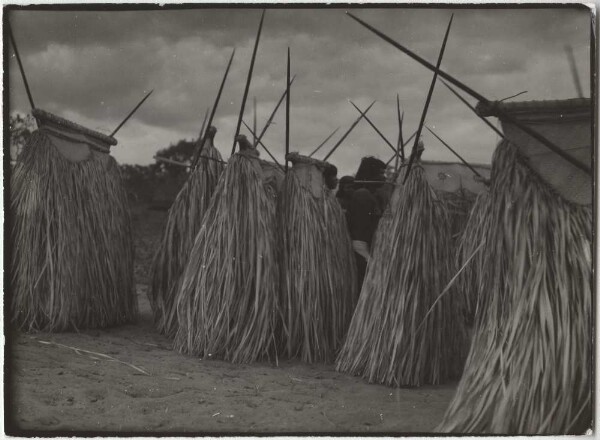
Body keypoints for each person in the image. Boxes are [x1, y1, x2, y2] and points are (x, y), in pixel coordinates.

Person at [347, 156, 387, 289]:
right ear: (371, 174)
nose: (384, 177)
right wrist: (366, 255)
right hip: (361, 250)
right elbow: (359, 229)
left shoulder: (373, 196)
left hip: (368, 249)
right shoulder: (362, 195)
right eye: (381, 173)